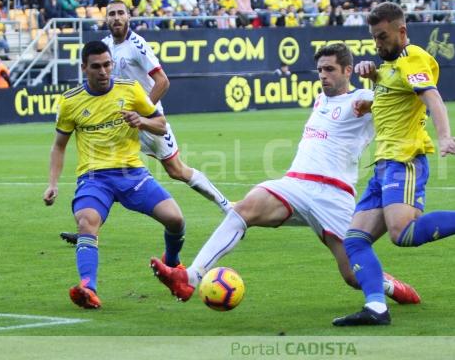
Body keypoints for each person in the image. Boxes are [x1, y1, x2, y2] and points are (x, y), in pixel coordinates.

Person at [149, 43, 421, 307]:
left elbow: (402, 98)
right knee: (245, 210)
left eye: (330, 69)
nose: (323, 76)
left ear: (348, 70)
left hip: (333, 196)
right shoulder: (321, 99)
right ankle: (189, 278)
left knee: (352, 275)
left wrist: (376, 79)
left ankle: (390, 286)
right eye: (320, 70)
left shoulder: (361, 100)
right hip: (295, 185)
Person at [331, 2, 455, 327]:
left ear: (402, 31)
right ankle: (376, 308)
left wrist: (446, 137)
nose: (378, 44)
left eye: (382, 37)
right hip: (383, 165)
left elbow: (432, 98)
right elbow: (391, 98)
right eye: (374, 38)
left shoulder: (415, 60)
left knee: (403, 233)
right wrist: (367, 99)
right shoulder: (388, 66)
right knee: (354, 240)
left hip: (405, 159)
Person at [59, 0, 231, 245]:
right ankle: (87, 230)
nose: (116, 18)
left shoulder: (137, 45)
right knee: (102, 168)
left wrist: (142, 113)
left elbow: (162, 81)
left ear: (129, 16)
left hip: (147, 122)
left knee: (177, 170)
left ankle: (226, 206)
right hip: (119, 124)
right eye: (112, 14)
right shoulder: (105, 46)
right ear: (106, 19)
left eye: (121, 13)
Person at [43, 41, 187, 309]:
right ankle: (88, 287)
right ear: (84, 67)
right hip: (95, 178)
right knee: (86, 222)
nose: (103, 71)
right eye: (96, 66)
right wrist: (52, 184)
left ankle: (171, 265)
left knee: (176, 219)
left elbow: (161, 125)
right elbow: (59, 146)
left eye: (107, 65)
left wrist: (141, 121)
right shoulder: (70, 102)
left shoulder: (130, 89)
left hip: (132, 173)